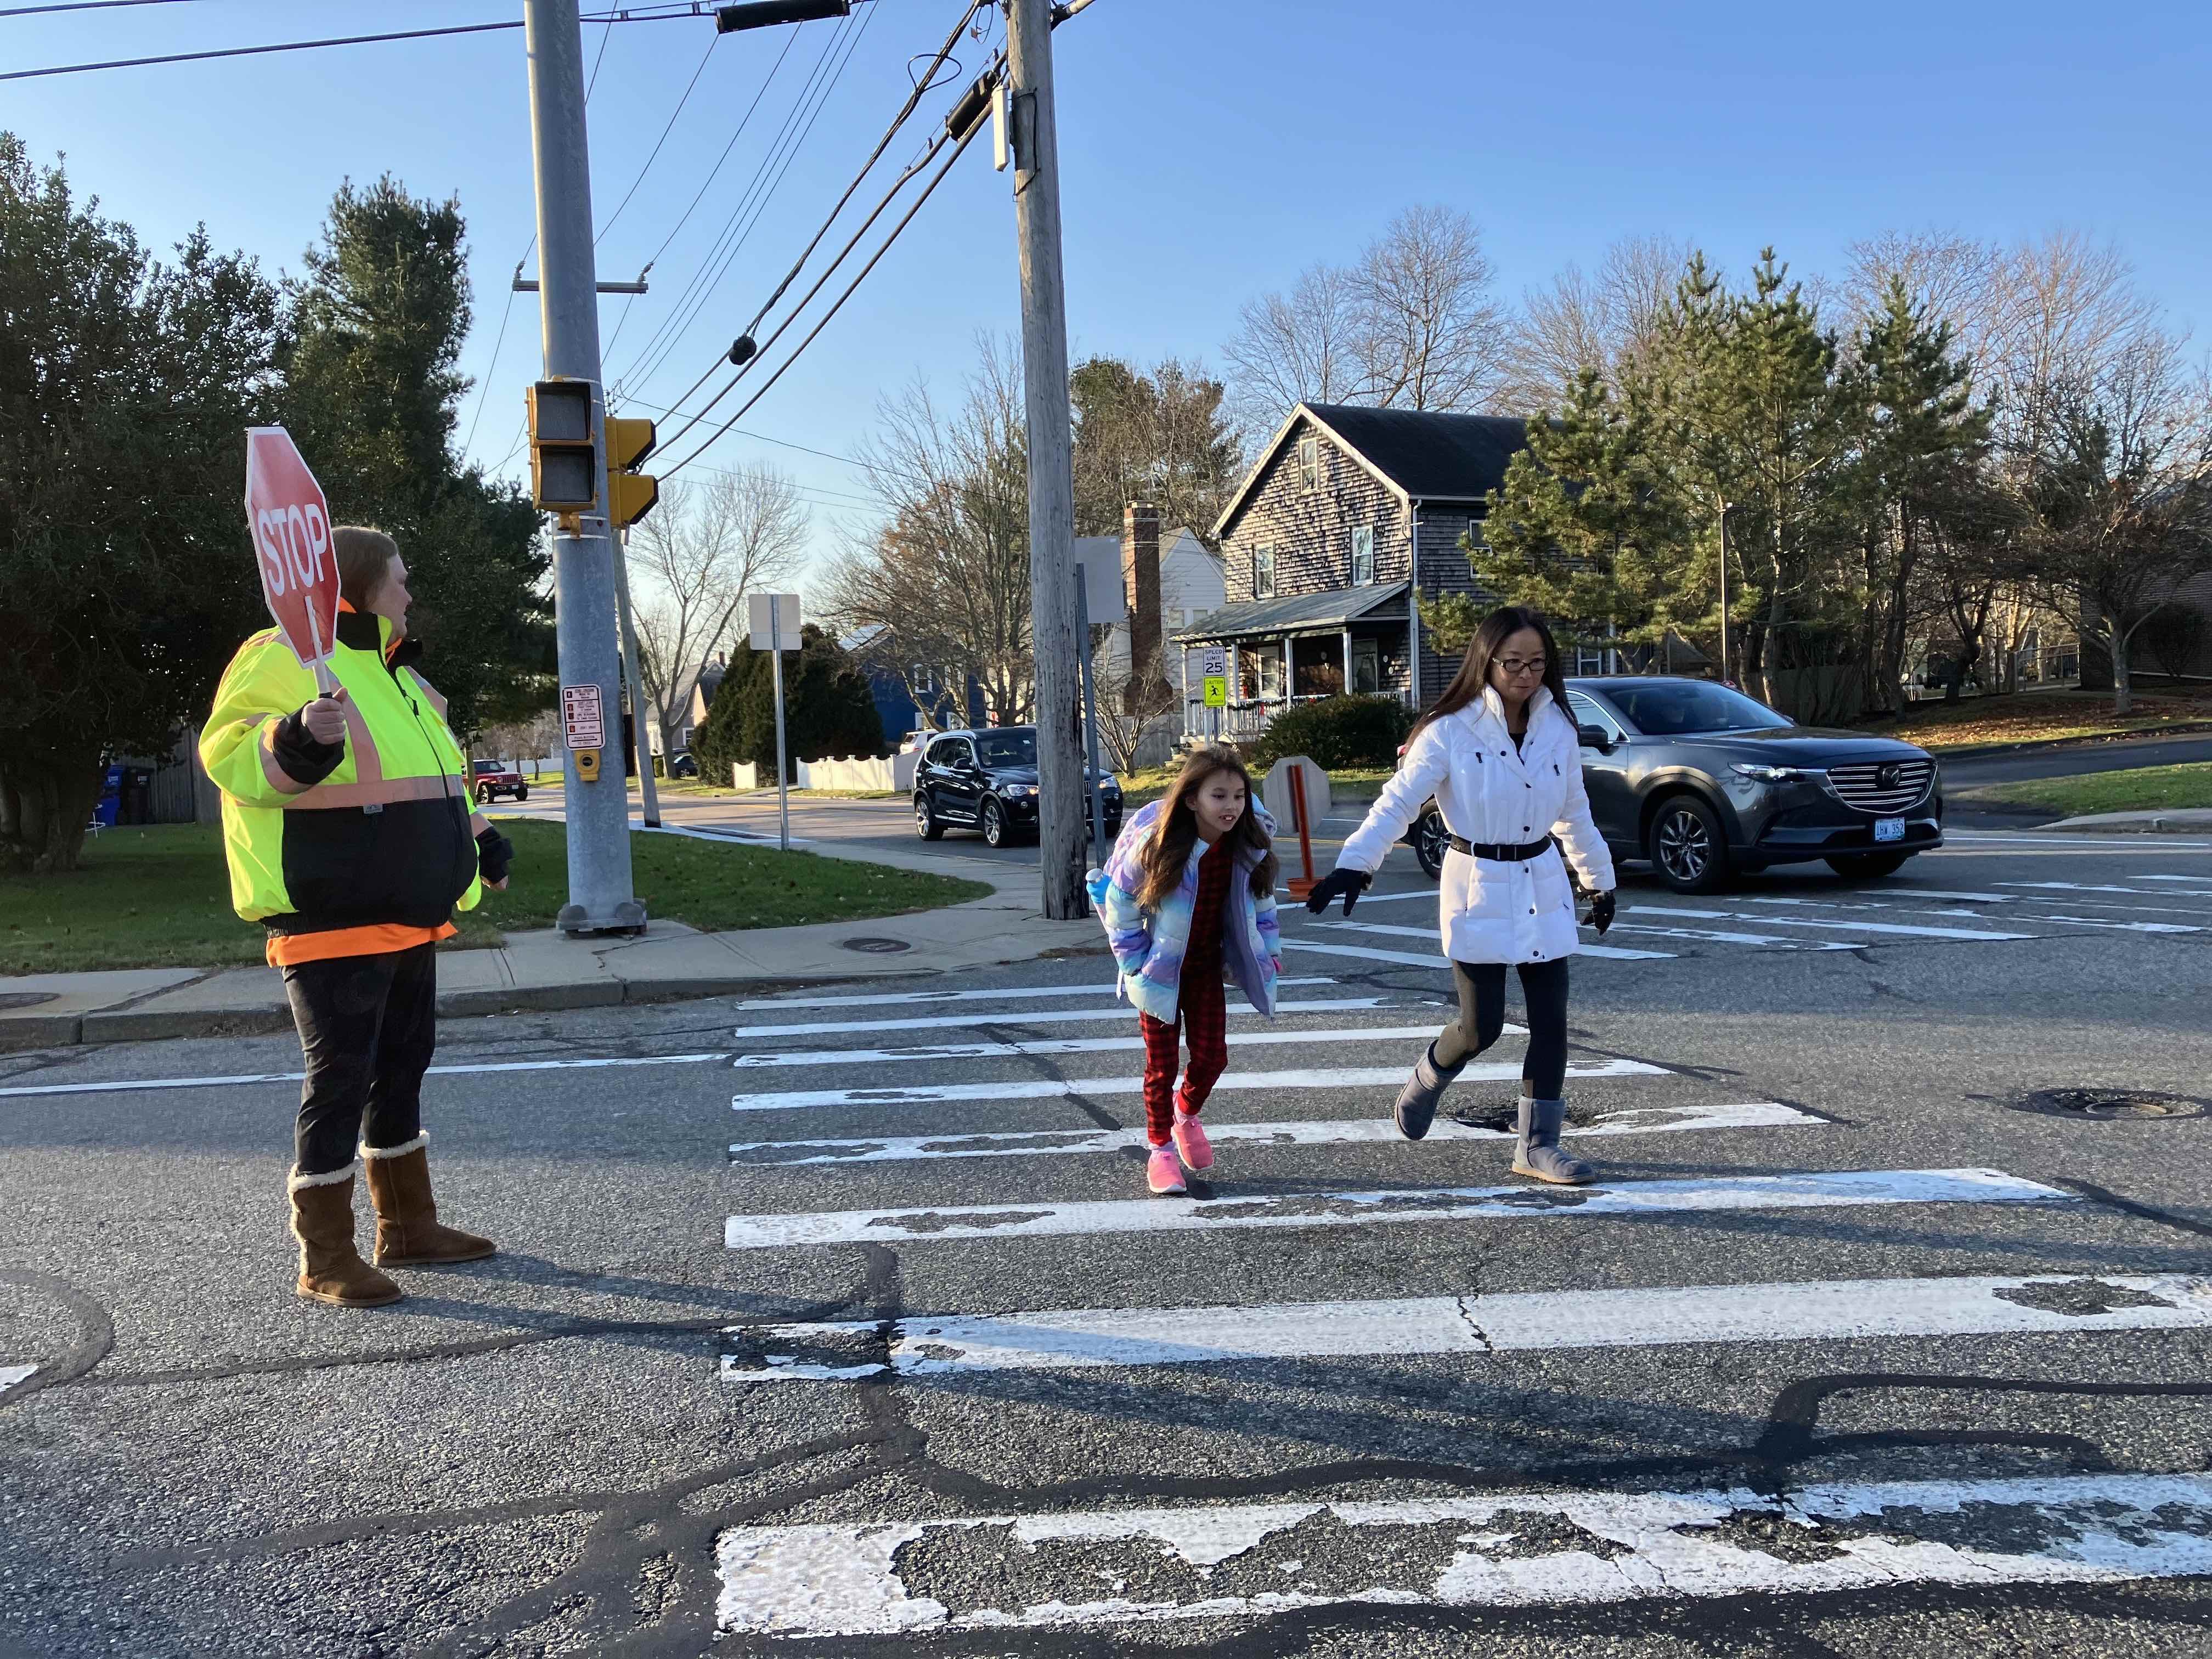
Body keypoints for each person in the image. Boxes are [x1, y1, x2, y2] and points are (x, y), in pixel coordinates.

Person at [201, 526, 515, 1307]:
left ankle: (407, 1227)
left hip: (409, 916)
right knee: (340, 1080)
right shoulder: (280, 656)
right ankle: (326, 1256)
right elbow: (231, 755)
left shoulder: (397, 674)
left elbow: (437, 782)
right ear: (358, 586)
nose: (410, 594)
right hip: (332, 915)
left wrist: (484, 842)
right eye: (400, 579)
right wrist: (297, 737)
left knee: (402, 1067)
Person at [1305, 606, 1618, 1184]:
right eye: (1513, 663)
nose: (1525, 675)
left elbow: (1575, 813)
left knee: (1552, 1022)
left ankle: (1538, 1146)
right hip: (1475, 881)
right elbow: (1398, 803)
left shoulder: (1559, 730)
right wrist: (1355, 864)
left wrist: (1598, 882)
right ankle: (1427, 1078)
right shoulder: (1449, 730)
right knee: (1483, 1027)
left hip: (1541, 880)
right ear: (1486, 662)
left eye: (1537, 664)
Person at [1095, 744, 1281, 1195]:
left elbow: (1263, 906)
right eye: (1219, 796)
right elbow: (1118, 905)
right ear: (1193, 799)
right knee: (1161, 1065)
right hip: (1160, 972)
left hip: (1204, 968)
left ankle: (1186, 1114)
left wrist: (1269, 953)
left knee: (1213, 1057)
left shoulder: (1246, 847)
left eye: (1239, 796)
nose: (1232, 806)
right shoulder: (1159, 847)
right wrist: (1136, 964)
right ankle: (1160, 1152)